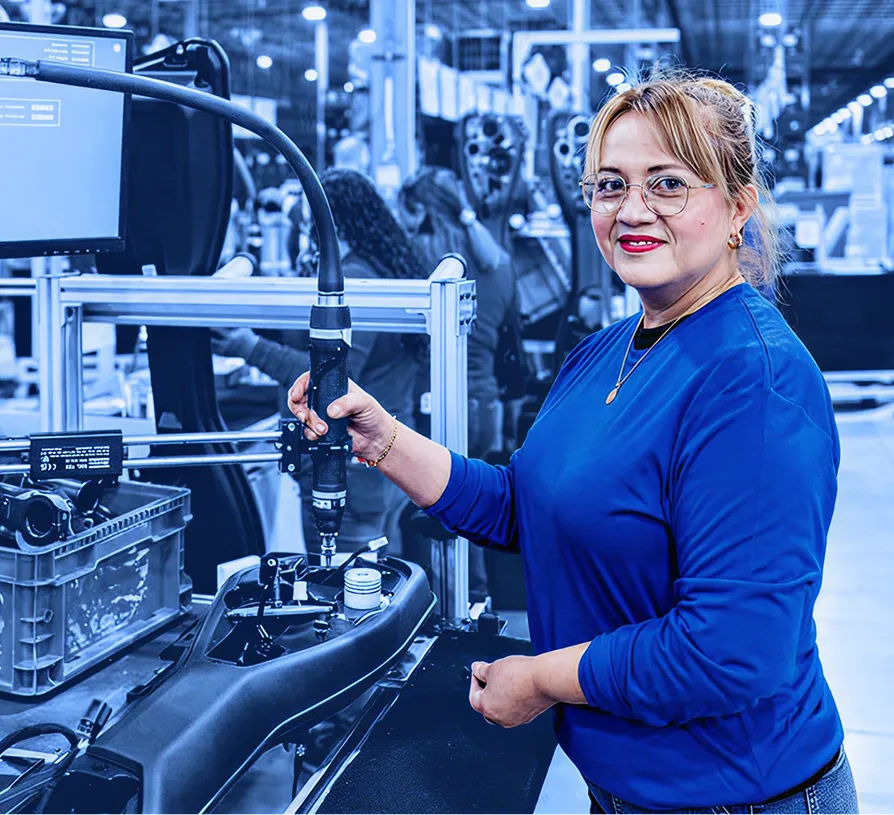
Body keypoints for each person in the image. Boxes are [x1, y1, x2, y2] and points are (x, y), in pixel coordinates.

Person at [288, 69, 859, 814]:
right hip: (626, 787)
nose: (632, 209)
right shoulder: (607, 349)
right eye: (610, 185)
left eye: (668, 183)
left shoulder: (756, 381)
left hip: (736, 796)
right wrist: (385, 436)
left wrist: (542, 678)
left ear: (737, 208)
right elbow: (524, 505)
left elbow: (730, 650)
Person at [214, 168, 428, 558]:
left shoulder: (356, 279)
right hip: (380, 467)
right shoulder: (378, 266)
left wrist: (248, 346)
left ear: (327, 222)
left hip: (350, 472)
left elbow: (334, 377)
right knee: (380, 584)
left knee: (340, 589)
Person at [398, 167, 520, 602]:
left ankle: (437, 614)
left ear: (421, 210)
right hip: (485, 406)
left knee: (432, 516)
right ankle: (477, 601)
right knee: (476, 512)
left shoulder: (423, 257)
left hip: (439, 405)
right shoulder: (499, 260)